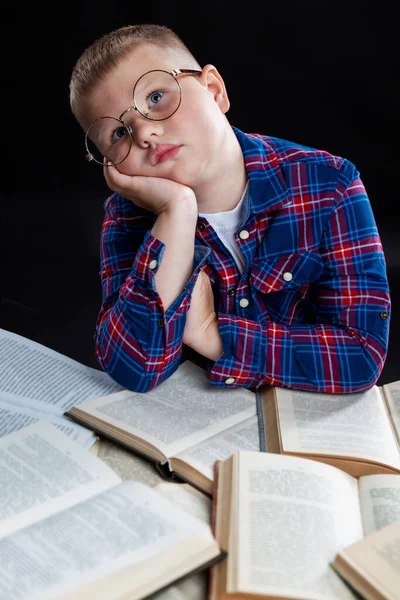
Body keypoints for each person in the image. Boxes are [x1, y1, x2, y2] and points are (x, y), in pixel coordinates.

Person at [69, 23, 391, 394]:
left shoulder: (329, 183)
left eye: (156, 96)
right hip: (198, 429)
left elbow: (360, 355)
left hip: (300, 420)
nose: (144, 133)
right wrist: (176, 211)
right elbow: (135, 369)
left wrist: (212, 332)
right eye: (119, 133)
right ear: (112, 166)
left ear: (214, 90)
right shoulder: (127, 216)